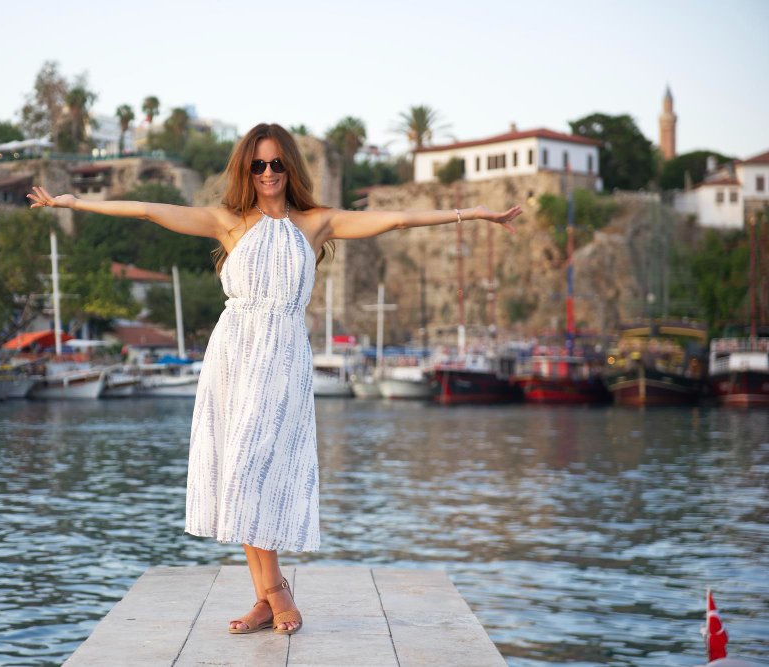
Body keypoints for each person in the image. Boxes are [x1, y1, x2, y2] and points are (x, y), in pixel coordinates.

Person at [27, 122, 521, 636]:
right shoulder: (229, 222)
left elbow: (395, 219)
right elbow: (151, 210)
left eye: (277, 163)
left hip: (283, 355)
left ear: (290, 168)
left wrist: (474, 214)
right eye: (258, 164)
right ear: (247, 169)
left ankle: (273, 592)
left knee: (258, 469)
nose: (267, 173)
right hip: (234, 352)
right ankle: (269, 595)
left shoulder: (315, 224)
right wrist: (72, 204)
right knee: (239, 470)